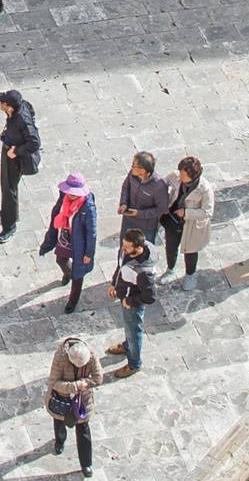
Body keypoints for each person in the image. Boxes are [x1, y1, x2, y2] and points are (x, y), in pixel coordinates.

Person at [45, 334, 98, 474]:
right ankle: (60, 441)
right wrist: (73, 386)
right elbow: (53, 382)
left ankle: (86, 464)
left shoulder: (90, 355)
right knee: (59, 421)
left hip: (82, 400)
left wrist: (86, 383)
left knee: (83, 429)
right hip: (62, 399)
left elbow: (98, 377)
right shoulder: (60, 357)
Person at [107, 228, 156, 375]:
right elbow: (121, 266)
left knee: (134, 331)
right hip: (124, 295)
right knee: (129, 328)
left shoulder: (144, 273)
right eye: (123, 244)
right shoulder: (128, 252)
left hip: (132, 303)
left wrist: (130, 301)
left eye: (127, 246)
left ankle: (134, 364)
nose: (123, 248)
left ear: (138, 247)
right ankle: (127, 346)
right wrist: (114, 283)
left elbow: (150, 296)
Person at [45, 175, 98, 310]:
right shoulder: (64, 198)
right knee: (61, 259)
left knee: (78, 273)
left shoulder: (88, 208)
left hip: (80, 242)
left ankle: (72, 301)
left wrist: (89, 253)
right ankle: (67, 274)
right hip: (66, 234)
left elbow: (92, 233)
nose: (70, 194)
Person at [0, 90, 41, 235]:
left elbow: (34, 143)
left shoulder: (22, 119)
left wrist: (16, 151)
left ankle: (9, 226)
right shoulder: (18, 108)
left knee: (9, 188)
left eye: (2, 102)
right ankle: (10, 212)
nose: (0, 104)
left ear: (9, 106)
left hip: (15, 157)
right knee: (7, 185)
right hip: (10, 149)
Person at [164, 155, 214, 277]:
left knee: (190, 252)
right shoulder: (175, 176)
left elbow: (207, 212)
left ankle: (190, 275)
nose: (180, 177)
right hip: (173, 219)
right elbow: (162, 184)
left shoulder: (204, 189)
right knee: (170, 247)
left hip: (192, 225)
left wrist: (186, 213)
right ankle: (170, 269)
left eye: (183, 175)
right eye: (180, 172)